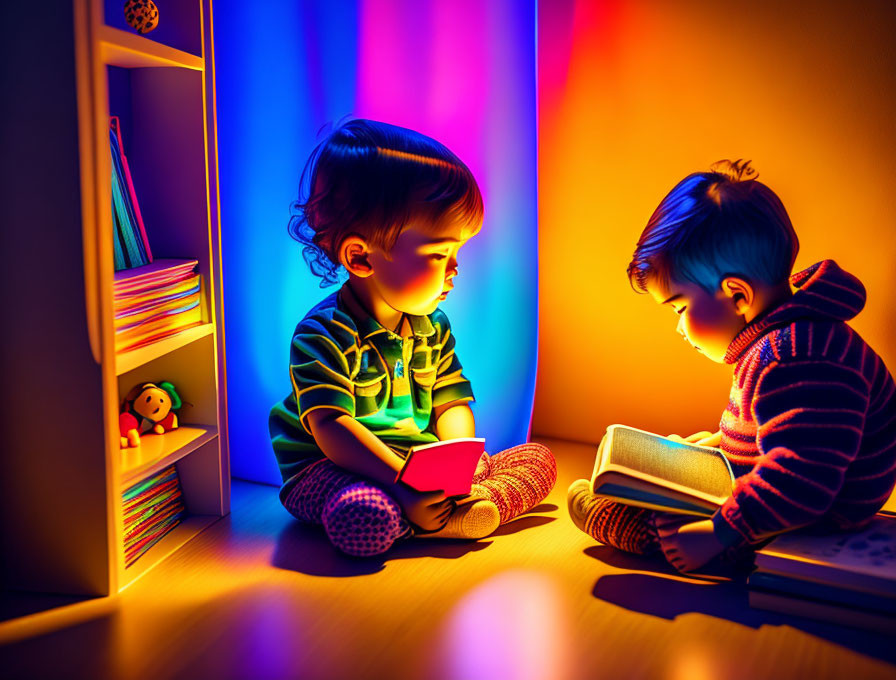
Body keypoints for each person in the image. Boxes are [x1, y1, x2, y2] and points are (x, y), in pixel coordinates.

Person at [568, 159, 896, 573]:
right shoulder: (782, 340)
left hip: (809, 522)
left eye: (681, 307)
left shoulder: (795, 355)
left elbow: (801, 478)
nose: (679, 328)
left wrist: (719, 532)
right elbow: (775, 430)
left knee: (647, 521)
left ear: (738, 296)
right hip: (789, 499)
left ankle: (626, 521)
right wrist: (711, 450)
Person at [270, 119, 556, 557]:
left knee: (538, 459)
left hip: (419, 466)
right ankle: (436, 519)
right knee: (363, 515)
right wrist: (402, 484)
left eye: (457, 252)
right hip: (333, 468)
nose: (455, 269)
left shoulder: (433, 326)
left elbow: (451, 401)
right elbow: (333, 429)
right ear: (361, 256)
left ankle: (454, 510)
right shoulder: (321, 333)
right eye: (440, 254)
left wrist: (458, 462)